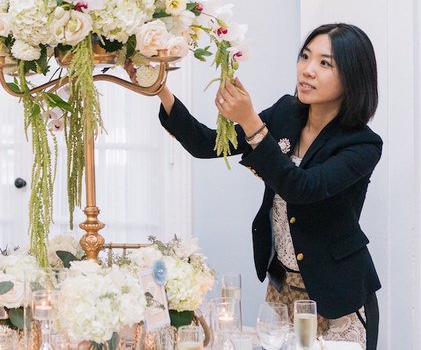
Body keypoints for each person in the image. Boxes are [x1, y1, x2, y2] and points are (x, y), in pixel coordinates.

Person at [156, 23, 382, 349]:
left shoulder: (363, 144)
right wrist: (161, 89)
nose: (307, 70)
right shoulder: (286, 112)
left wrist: (251, 121)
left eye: (324, 63)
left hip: (338, 297)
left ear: (352, 76)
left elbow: (301, 188)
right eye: (305, 57)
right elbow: (207, 144)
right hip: (281, 290)